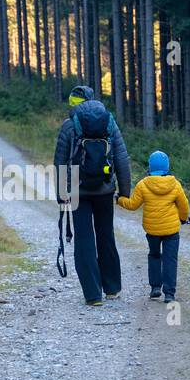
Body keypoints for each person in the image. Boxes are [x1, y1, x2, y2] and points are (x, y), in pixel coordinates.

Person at [54, 85, 130, 306]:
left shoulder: (69, 126)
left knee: (84, 239)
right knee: (106, 235)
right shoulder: (109, 123)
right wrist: (124, 192)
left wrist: (62, 195)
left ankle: (93, 294)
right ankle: (113, 288)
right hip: (105, 189)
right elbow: (122, 159)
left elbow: (60, 163)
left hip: (78, 189)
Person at [117, 150, 190, 302]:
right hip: (171, 231)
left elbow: (132, 205)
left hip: (152, 230)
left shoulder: (143, 185)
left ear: (150, 167)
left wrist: (119, 199)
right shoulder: (175, 185)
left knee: (154, 255)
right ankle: (169, 294)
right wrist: (183, 219)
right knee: (170, 260)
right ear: (167, 166)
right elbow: (184, 206)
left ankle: (155, 288)